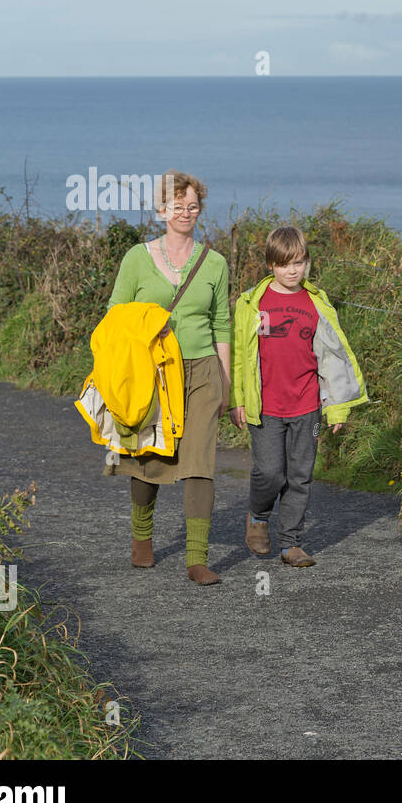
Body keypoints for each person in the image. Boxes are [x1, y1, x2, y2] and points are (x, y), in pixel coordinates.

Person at [107, 170, 231, 585]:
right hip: (153, 371)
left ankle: (197, 559)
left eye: (193, 205)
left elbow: (223, 326)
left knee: (200, 462)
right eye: (177, 205)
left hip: (202, 372)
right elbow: (114, 316)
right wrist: (147, 325)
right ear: (161, 209)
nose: (186, 212)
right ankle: (142, 536)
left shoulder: (215, 263)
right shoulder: (136, 258)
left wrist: (226, 383)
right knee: (149, 458)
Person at [228, 225, 368, 567]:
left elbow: (332, 359)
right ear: (271, 265)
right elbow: (240, 357)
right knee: (270, 472)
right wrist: (237, 400)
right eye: (285, 264)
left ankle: (291, 543)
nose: (293, 270)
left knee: (300, 476)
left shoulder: (315, 303)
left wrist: (336, 409)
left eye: (300, 262)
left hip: (308, 408)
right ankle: (259, 515)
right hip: (267, 408)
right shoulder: (253, 303)